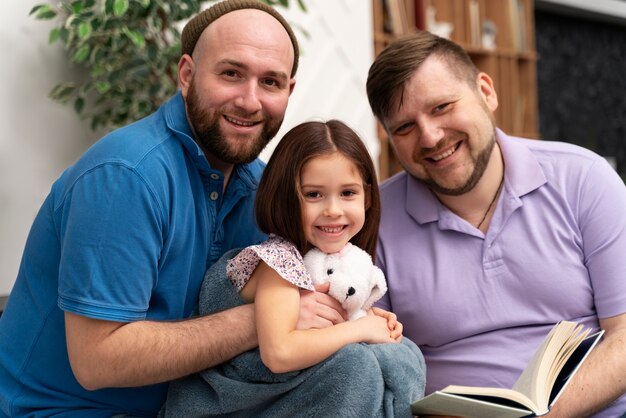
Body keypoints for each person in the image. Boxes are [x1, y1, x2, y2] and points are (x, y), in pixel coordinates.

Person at [0, 1, 341, 416]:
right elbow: (97, 360)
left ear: (288, 91)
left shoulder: (265, 186)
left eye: (270, 82)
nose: (250, 101)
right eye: (231, 73)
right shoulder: (127, 175)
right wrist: (268, 319)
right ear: (186, 75)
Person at [366, 30, 626, 418]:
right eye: (405, 127)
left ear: (486, 92)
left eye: (441, 107)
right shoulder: (373, 220)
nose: (431, 137)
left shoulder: (584, 178)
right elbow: (377, 365)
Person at [158, 119, 426, 417]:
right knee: (355, 365)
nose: (333, 210)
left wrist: (368, 320)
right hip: (238, 403)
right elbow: (279, 353)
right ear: (287, 198)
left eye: (348, 193)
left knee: (403, 353)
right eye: (313, 194)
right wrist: (359, 329)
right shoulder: (278, 262)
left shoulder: (337, 259)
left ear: (367, 198)